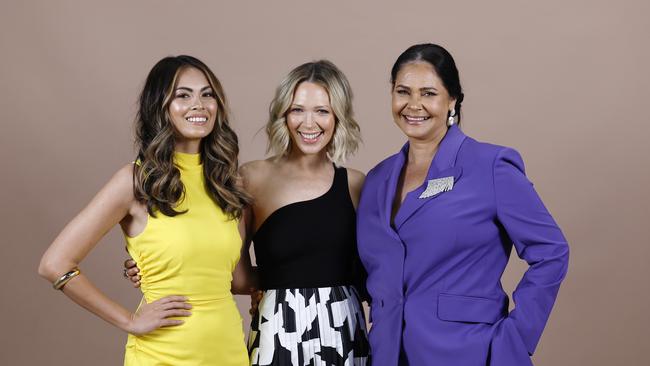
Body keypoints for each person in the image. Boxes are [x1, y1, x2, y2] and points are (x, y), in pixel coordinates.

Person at [125, 59, 371, 366]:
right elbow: (229, 266)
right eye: (297, 110)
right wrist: (148, 263)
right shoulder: (251, 178)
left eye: (322, 110)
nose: (310, 123)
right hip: (279, 327)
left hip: (343, 330)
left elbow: (376, 266)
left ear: (338, 116)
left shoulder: (357, 184)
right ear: (283, 114)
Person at [356, 43, 570, 365]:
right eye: (403, 91)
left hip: (467, 352)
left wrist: (517, 336)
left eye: (428, 93)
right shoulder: (376, 180)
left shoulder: (490, 166)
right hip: (387, 354)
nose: (414, 105)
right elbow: (371, 273)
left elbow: (551, 251)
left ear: (452, 99)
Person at [39, 55, 251, 365]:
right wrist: (129, 320)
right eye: (182, 95)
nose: (199, 104)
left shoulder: (227, 183)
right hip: (162, 355)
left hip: (228, 352)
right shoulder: (135, 181)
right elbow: (54, 264)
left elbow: (237, 279)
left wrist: (319, 270)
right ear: (160, 107)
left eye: (207, 94)